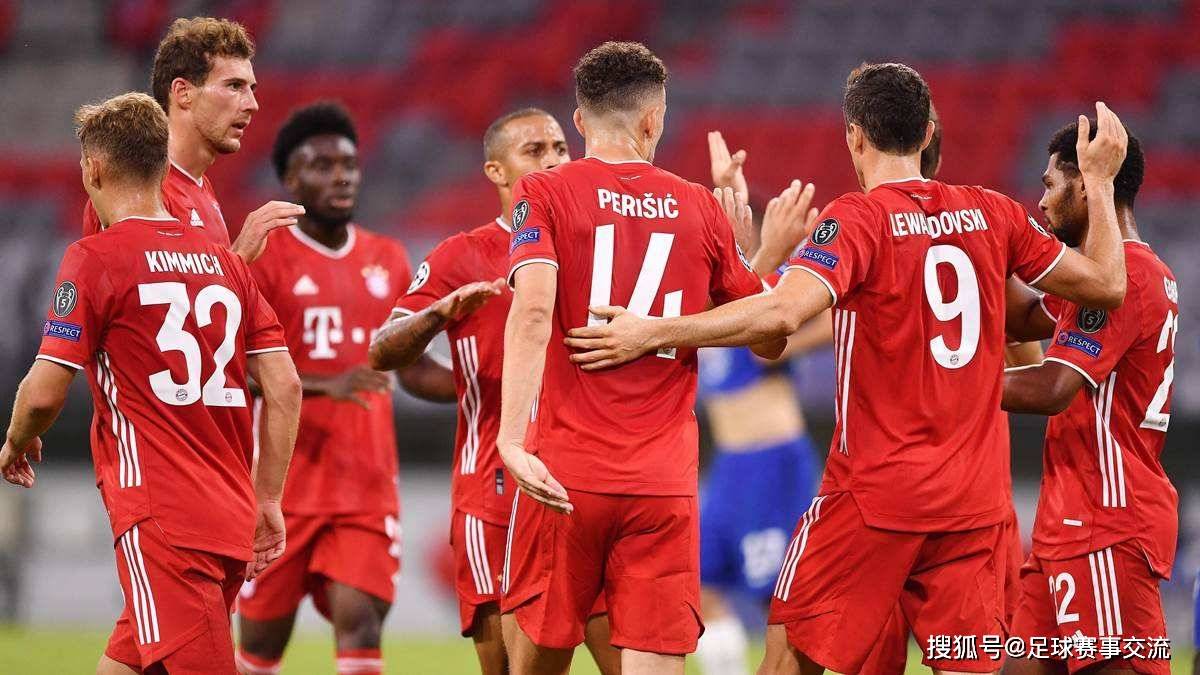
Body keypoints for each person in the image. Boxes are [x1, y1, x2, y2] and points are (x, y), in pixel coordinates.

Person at [564, 63, 1132, 675]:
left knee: (789, 654)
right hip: (975, 506)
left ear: (854, 137)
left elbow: (781, 315)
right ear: (928, 131)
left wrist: (652, 330)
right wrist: (1099, 183)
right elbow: (1106, 284)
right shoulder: (993, 214)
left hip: (874, 498)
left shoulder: (858, 219)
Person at [495, 41, 812, 675]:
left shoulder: (544, 192)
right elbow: (769, 338)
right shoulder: (699, 206)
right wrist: (747, 258)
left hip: (566, 475)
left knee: (534, 660)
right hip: (663, 484)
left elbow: (532, 311)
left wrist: (509, 439)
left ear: (579, 121)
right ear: (653, 120)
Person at [0, 92, 300, 675]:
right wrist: (268, 497)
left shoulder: (95, 258)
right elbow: (284, 386)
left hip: (161, 518)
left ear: (93, 169)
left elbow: (44, 392)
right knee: (130, 663)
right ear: (164, 167)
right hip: (231, 514)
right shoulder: (228, 264)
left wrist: (16, 439)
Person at [369, 107, 620, 675]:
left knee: (626, 661)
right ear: (496, 171)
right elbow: (383, 350)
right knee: (508, 668)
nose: (554, 160)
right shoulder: (461, 255)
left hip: (588, 484)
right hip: (495, 493)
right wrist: (438, 316)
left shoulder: (599, 245)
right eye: (535, 150)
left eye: (561, 147)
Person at [235, 102, 436, 675]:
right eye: (322, 166)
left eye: (348, 164)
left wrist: (483, 382)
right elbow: (231, 368)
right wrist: (325, 384)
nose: (341, 176)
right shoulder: (264, 260)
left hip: (365, 488)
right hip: (281, 488)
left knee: (362, 625)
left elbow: (412, 369)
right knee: (260, 648)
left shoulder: (388, 259)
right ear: (291, 180)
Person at [1001, 121, 1176, 675]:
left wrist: (940, 384)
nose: (1041, 200)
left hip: (1106, 522)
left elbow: (1053, 387)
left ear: (1084, 186)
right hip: (1068, 523)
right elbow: (1022, 320)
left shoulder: (1128, 277)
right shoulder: (1109, 276)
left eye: (1050, 184)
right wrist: (981, 245)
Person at [695, 131, 822, 675]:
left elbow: (836, 314)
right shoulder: (714, 292)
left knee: (782, 599)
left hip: (773, 459)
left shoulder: (772, 289)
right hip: (728, 465)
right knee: (702, 586)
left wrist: (787, 345)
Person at [81, 17, 304, 263]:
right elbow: (142, 285)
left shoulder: (200, 186)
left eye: (251, 89)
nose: (253, 104)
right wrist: (239, 257)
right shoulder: (135, 188)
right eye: (234, 86)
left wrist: (237, 260)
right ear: (183, 93)